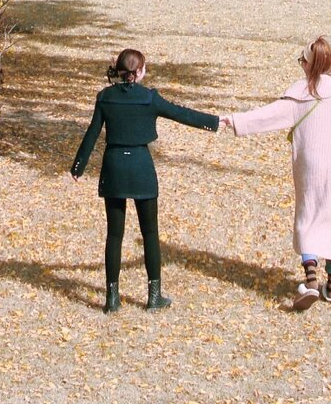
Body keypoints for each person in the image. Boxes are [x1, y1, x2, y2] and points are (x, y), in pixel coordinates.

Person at [222, 36, 331, 307]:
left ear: (308, 64)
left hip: (312, 169)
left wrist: (235, 121)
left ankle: (310, 278)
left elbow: (267, 116)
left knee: (309, 218)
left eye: (301, 61)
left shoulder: (298, 95)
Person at [70, 46, 220, 313]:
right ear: (138, 72)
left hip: (114, 166)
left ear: (119, 70)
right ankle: (154, 296)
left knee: (114, 235)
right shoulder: (149, 98)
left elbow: (92, 133)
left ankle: (112, 299)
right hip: (140, 166)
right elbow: (181, 113)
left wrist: (78, 166)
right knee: (150, 233)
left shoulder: (105, 97)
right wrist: (216, 122)